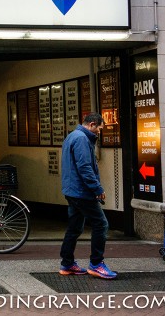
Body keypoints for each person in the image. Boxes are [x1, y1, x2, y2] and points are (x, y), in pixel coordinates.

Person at [59, 112, 117, 279]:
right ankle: (96, 264)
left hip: (72, 190)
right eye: (99, 128)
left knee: (74, 227)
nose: (99, 131)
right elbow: (85, 168)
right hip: (81, 192)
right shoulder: (82, 139)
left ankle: (67, 263)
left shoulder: (72, 136)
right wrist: (97, 189)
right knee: (101, 224)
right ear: (92, 124)